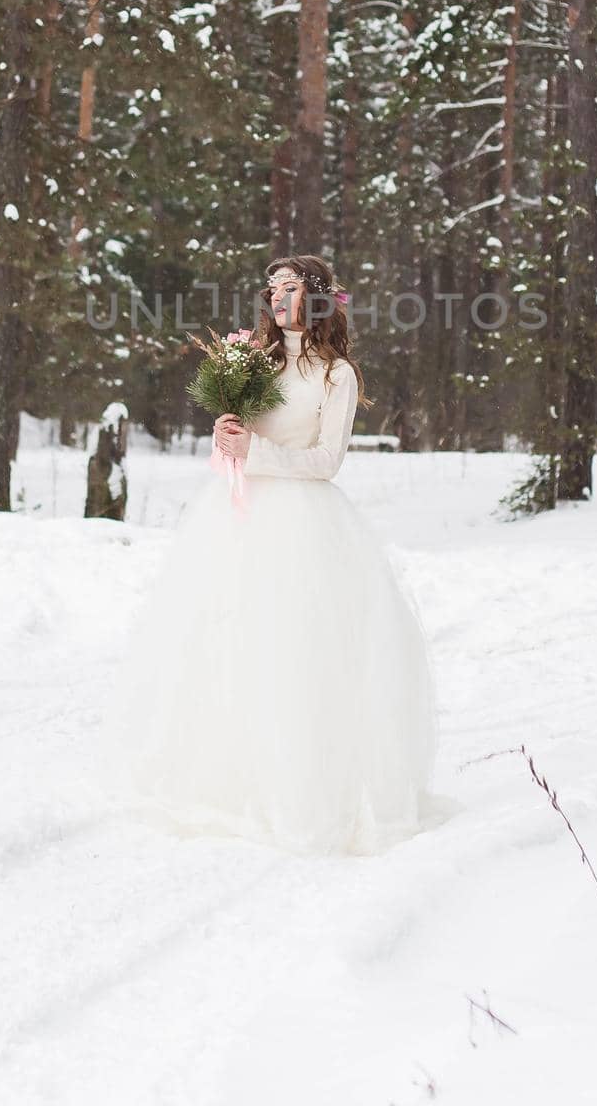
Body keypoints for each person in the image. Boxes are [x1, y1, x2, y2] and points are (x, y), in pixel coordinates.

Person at [95, 254, 455, 855]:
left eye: (289, 287)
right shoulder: (255, 360)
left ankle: (304, 789)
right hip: (237, 520)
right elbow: (241, 437)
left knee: (297, 656)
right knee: (226, 642)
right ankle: (224, 782)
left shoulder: (336, 375)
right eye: (271, 287)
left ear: (314, 297)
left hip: (306, 528)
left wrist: (257, 454)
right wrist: (228, 439)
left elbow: (326, 460)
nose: (276, 296)